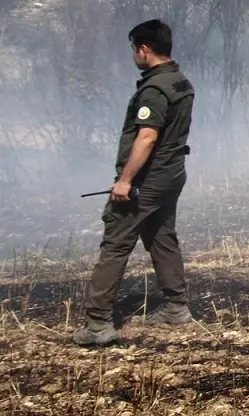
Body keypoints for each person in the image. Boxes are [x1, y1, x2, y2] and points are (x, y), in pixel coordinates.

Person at [74, 19, 196, 347]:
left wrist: (125, 181)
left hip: (148, 179)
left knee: (115, 243)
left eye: (133, 49)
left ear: (144, 49)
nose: (133, 55)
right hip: (172, 174)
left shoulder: (155, 89)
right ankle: (175, 307)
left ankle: (97, 323)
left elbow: (146, 137)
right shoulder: (180, 80)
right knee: (160, 235)